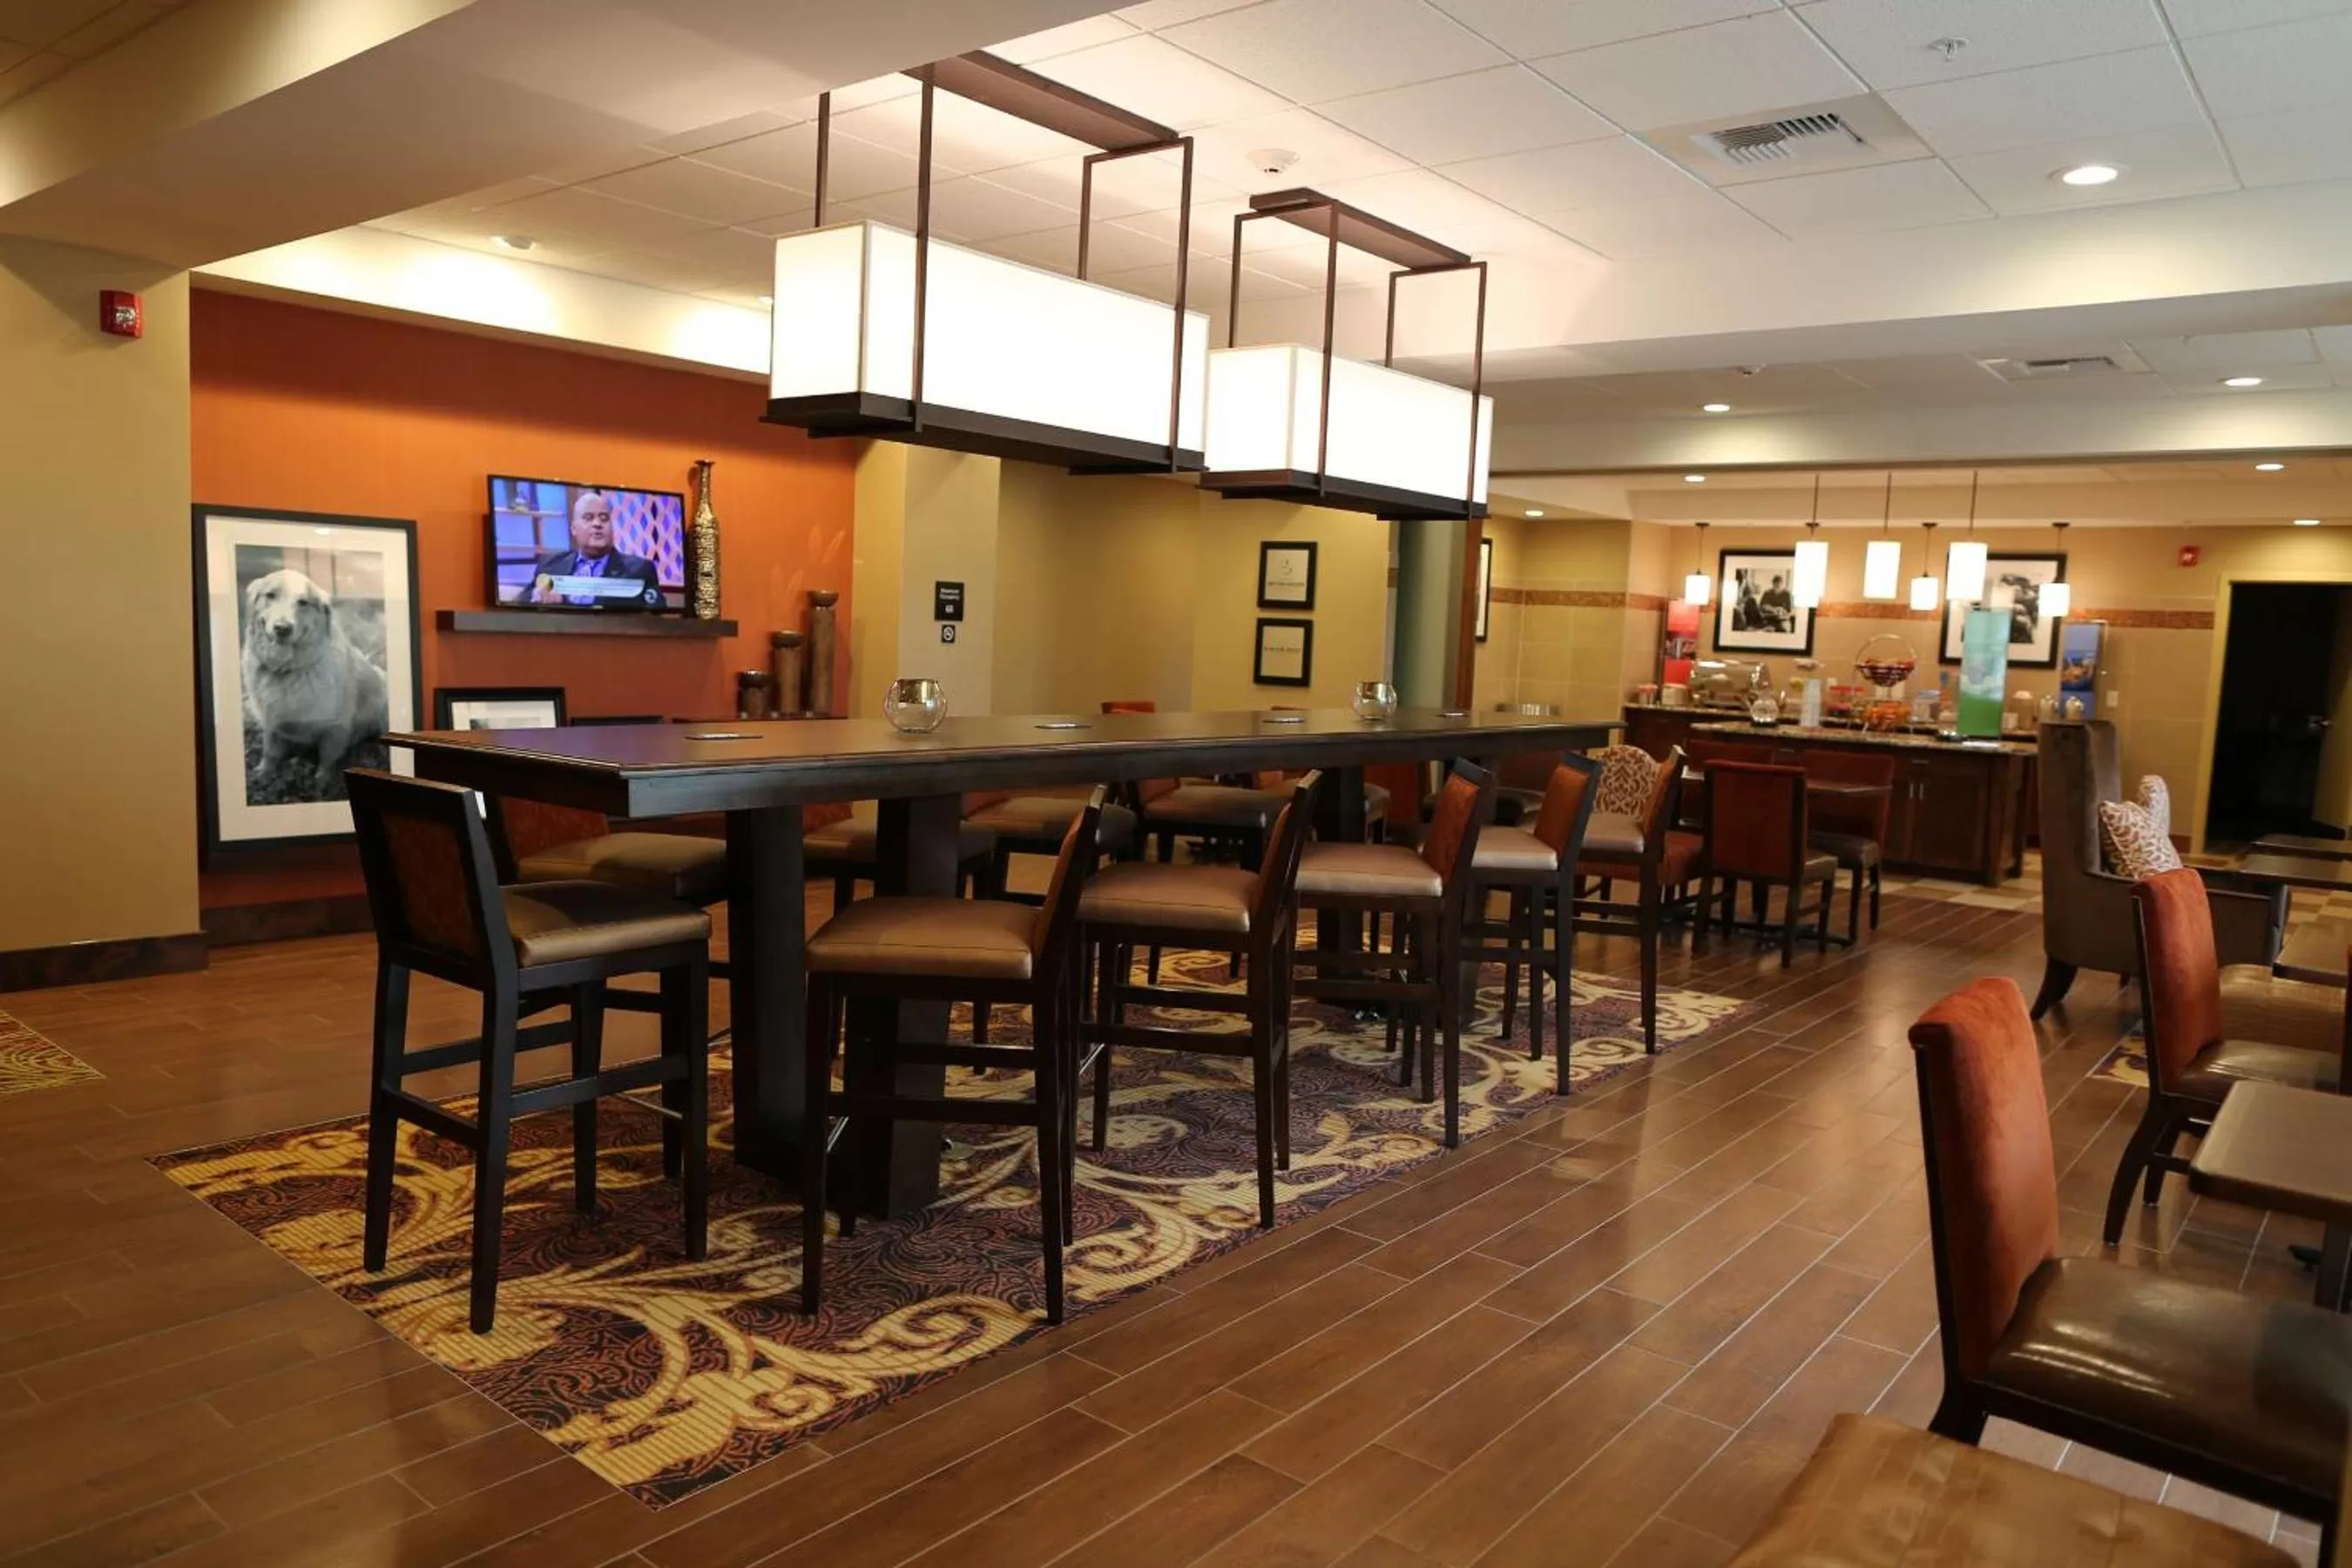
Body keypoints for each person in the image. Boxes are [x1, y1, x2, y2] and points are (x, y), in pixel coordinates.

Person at [531, 490, 660, 606]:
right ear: (574, 529)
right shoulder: (550, 565)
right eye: (588, 518)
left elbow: (656, 616)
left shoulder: (639, 570)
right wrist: (536, 596)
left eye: (604, 518)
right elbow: (520, 600)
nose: (597, 524)